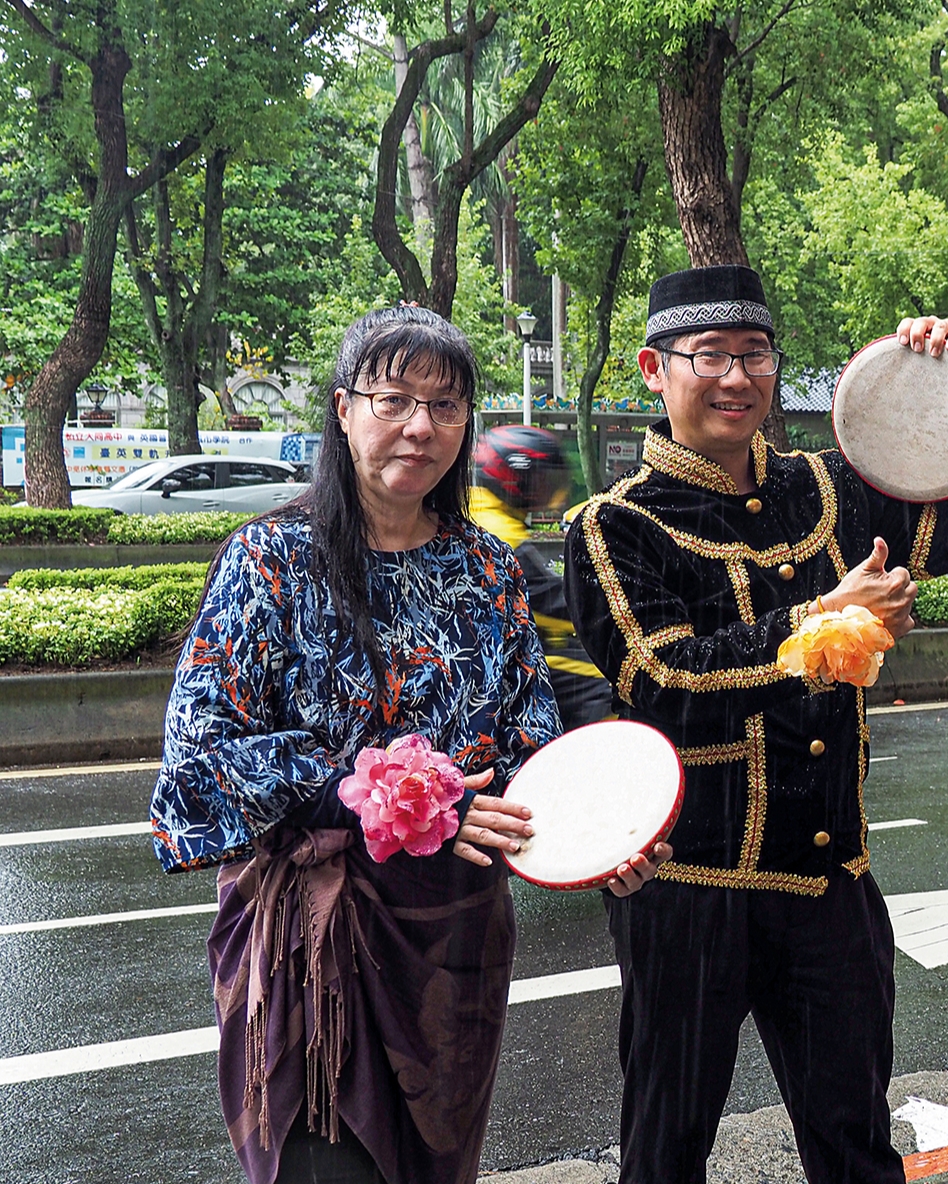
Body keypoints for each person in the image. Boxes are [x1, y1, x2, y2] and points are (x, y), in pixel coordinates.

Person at [148, 304, 668, 1184]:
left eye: (447, 404)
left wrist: (595, 840)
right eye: (393, 399)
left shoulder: (488, 567)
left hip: (454, 945)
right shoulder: (267, 559)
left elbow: (530, 743)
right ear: (344, 410)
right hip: (313, 942)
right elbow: (203, 762)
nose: (421, 426)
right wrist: (408, 801)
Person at [562, 264, 948, 1183]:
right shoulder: (615, 525)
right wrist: (823, 622)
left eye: (755, 354)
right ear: (655, 368)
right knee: (666, 1147)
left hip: (826, 883)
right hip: (686, 891)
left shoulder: (830, 488)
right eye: (709, 356)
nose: (737, 377)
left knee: (854, 1146)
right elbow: (661, 680)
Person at [470, 424, 615, 729]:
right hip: (495, 656)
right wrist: (613, 611)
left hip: (492, 647)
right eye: (540, 480)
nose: (546, 491)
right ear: (513, 478)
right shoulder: (498, 531)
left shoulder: (485, 512)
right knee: (605, 682)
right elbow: (548, 603)